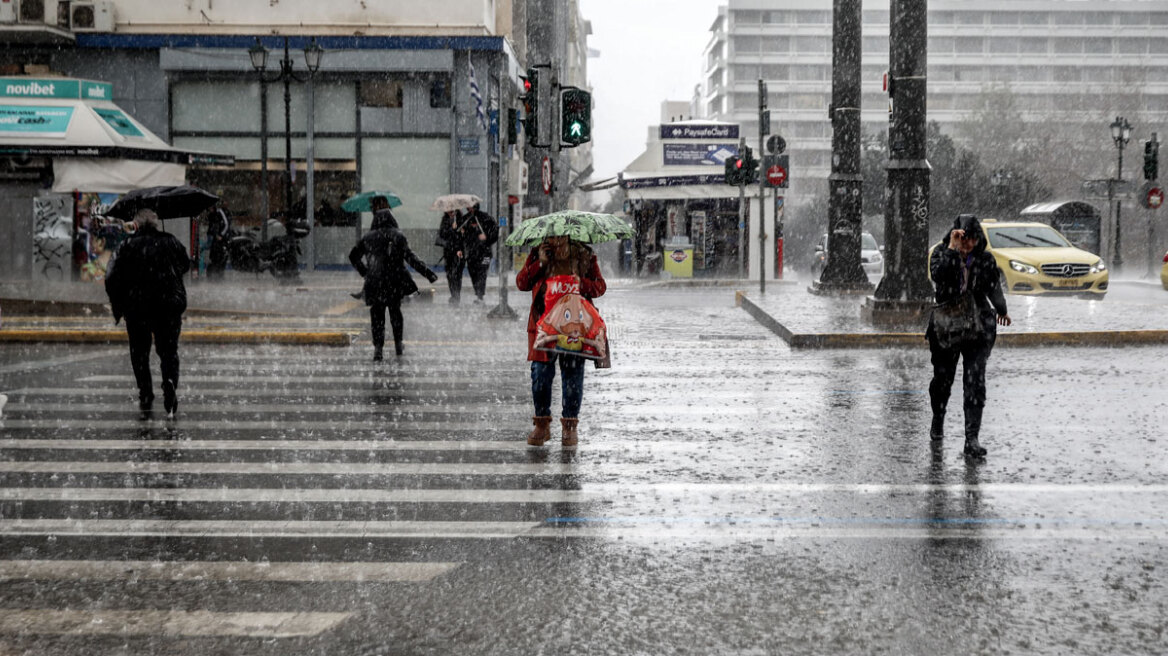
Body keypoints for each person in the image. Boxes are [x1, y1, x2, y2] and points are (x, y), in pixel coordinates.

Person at [927, 214, 1012, 458]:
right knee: (942, 380)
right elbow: (939, 276)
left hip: (977, 328)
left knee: (975, 382)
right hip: (946, 327)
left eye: (973, 240)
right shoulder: (942, 254)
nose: (969, 245)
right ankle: (938, 419)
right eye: (964, 239)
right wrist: (953, 250)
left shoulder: (984, 259)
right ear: (955, 236)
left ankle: (971, 438)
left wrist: (1002, 310)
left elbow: (993, 287)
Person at [516, 235, 606, 447]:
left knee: (572, 377)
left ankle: (569, 426)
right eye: (552, 235)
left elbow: (600, 287)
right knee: (540, 375)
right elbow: (522, 283)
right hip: (543, 326)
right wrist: (540, 263)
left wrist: (580, 283)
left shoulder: (584, 254)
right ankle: (542, 423)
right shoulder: (538, 251)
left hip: (574, 327)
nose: (556, 240)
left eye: (560, 236)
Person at [104, 209, 190, 417]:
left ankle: (145, 391)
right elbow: (185, 265)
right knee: (168, 351)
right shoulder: (171, 241)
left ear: (137, 224)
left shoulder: (127, 246)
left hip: (137, 308)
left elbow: (111, 276)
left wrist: (119, 305)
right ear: (155, 223)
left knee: (139, 353)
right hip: (167, 307)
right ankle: (169, 381)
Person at [350, 196, 439, 360]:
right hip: (394, 281)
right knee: (395, 313)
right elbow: (411, 258)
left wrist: (365, 273)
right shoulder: (398, 236)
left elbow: (353, 257)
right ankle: (398, 344)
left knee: (377, 315)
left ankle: (378, 348)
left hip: (375, 282)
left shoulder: (368, 238)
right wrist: (428, 274)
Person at [463, 203, 499, 304]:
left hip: (485, 253)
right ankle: (477, 292)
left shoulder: (486, 218)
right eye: (468, 207)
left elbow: (495, 232)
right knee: (473, 273)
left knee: (482, 273)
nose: (469, 209)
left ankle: (480, 295)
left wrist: (486, 237)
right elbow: (463, 236)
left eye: (471, 207)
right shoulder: (465, 219)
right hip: (471, 253)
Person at [437, 209, 466, 304]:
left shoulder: (461, 219)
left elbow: (465, 236)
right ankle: (453, 294)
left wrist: (462, 232)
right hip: (449, 252)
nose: (451, 212)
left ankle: (456, 295)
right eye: (449, 211)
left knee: (457, 274)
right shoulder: (445, 220)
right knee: (450, 275)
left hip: (459, 252)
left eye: (452, 211)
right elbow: (442, 234)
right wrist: (451, 229)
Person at [205, 203, 230, 279]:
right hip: (214, 239)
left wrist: (221, 235)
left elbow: (226, 224)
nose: (210, 210)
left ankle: (219, 275)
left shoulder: (219, 212)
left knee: (220, 258)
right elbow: (211, 226)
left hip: (220, 240)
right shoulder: (211, 215)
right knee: (214, 257)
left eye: (211, 208)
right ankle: (215, 275)